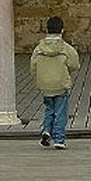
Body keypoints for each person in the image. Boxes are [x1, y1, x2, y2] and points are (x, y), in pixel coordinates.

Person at [30, 16, 80, 149]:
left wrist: (40, 78)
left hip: (45, 84)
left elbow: (33, 66)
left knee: (49, 109)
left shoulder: (38, 48)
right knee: (61, 111)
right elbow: (75, 64)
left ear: (46, 30)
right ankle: (59, 138)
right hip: (61, 84)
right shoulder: (67, 48)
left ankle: (46, 130)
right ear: (62, 30)